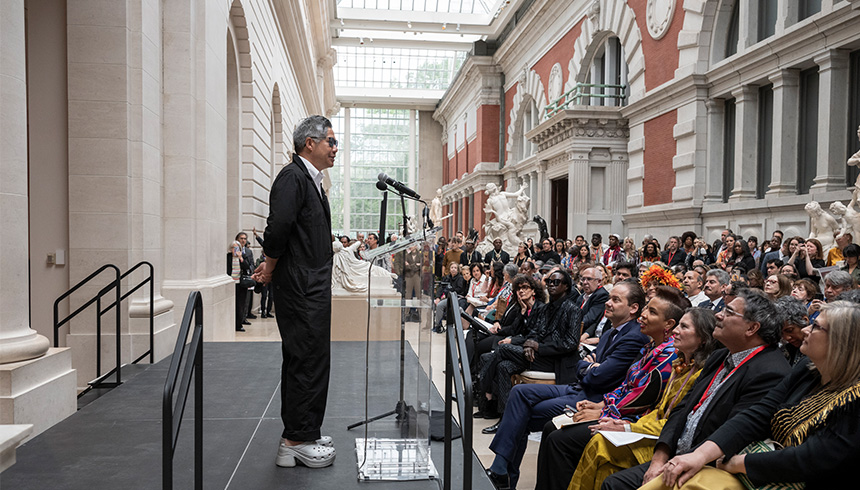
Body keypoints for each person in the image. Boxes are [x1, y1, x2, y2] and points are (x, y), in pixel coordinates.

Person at [650, 301, 860, 490]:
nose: (805, 329)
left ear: (840, 341)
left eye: (815, 326)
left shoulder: (854, 399)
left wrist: (740, 463)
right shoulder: (808, 368)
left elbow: (813, 458)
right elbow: (758, 414)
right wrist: (699, 456)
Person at [601, 289, 791, 490]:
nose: (718, 315)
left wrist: (687, 458)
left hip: (710, 467)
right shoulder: (721, 356)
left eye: (728, 312)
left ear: (752, 328)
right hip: (677, 455)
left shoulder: (769, 371)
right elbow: (682, 409)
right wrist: (659, 458)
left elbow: (736, 432)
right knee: (612, 480)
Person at [484, 279, 650, 490]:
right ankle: (501, 470)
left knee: (520, 415)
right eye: (609, 298)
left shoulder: (634, 336)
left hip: (593, 398)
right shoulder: (610, 332)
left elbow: (600, 376)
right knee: (518, 392)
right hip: (579, 386)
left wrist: (589, 368)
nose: (608, 303)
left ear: (633, 308)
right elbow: (585, 366)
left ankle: (503, 474)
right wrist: (589, 367)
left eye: (616, 300)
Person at [534, 286, 692, 490]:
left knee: (560, 440)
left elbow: (639, 398)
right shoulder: (650, 347)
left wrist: (602, 412)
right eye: (646, 308)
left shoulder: (668, 355)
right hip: (616, 410)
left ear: (669, 324)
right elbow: (626, 385)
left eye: (652, 312)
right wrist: (601, 404)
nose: (643, 315)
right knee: (551, 428)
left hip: (634, 421)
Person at [253, 115, 338, 468]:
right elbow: (278, 229)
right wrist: (270, 266)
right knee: (306, 359)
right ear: (310, 143)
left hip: (311, 285)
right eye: (331, 141)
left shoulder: (312, 180)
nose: (335, 148)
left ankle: (306, 431)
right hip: (301, 287)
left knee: (312, 358)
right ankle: (295, 441)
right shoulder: (293, 177)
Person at [567, 308, 718, 490]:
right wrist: (622, 423)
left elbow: (676, 422)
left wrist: (627, 427)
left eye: (684, 327)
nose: (676, 331)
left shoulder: (700, 375)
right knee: (605, 465)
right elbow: (658, 409)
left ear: (702, 339)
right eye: (678, 325)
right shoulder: (679, 364)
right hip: (649, 427)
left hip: (667, 443)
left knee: (599, 443)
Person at [478, 270, 581, 434]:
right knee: (504, 366)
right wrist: (529, 345)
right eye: (549, 282)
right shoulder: (547, 308)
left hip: (556, 361)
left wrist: (537, 347)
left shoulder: (572, 309)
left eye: (556, 282)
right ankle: (505, 419)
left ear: (566, 286)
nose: (551, 285)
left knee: (503, 348)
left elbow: (571, 343)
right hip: (537, 355)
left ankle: (482, 385)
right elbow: (535, 332)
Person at [775, 295, 809, 367]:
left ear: (805, 320)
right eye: (781, 333)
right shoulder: (786, 349)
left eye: (789, 330)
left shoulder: (817, 351)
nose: (786, 338)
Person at [434, 262, 467, 333]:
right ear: (449, 269)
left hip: (457, 298)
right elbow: (441, 287)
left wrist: (447, 293)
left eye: (455, 268)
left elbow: (459, 290)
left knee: (441, 305)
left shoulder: (460, 278)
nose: (453, 269)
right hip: (448, 298)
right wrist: (438, 297)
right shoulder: (447, 277)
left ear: (458, 270)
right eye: (452, 268)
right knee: (438, 305)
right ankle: (438, 325)